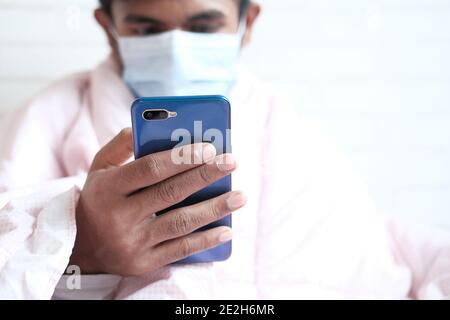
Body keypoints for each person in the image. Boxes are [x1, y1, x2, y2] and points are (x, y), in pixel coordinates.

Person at [0, 0, 448, 300]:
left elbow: (367, 251)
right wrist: (86, 252)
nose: (175, 48)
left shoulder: (293, 131)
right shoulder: (46, 122)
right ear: (108, 25)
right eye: (146, 29)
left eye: (202, 27)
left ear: (247, 22)